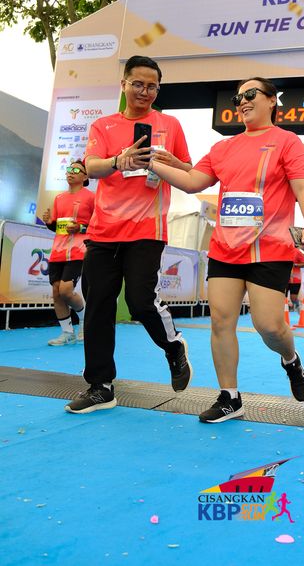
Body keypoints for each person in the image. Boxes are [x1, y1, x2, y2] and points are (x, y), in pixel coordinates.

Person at [150, 77, 304, 423]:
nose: (242, 101)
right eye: (238, 97)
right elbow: (193, 181)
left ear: (272, 100)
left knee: (269, 326)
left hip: (269, 248)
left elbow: (303, 187)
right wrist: (151, 164)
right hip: (225, 248)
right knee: (221, 321)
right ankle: (230, 397)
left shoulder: (287, 141)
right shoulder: (223, 148)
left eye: (250, 94)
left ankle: (291, 360)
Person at [65, 55, 193, 414]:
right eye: (138, 84)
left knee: (140, 301)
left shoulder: (170, 124)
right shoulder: (103, 126)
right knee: (98, 307)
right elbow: (91, 166)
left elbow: (189, 170)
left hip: (147, 230)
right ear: (124, 84)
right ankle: (100, 386)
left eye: (152, 86)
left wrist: (170, 162)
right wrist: (117, 161)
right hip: (103, 232)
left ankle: (173, 347)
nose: (145, 91)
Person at [42, 160, 94, 345]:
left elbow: (97, 225)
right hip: (58, 251)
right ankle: (67, 333)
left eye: (76, 170)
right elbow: (57, 227)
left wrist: (80, 228)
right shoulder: (59, 198)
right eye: (69, 169)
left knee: (65, 291)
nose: (71, 172)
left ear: (85, 176)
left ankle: (85, 320)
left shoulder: (91, 198)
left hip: (78, 251)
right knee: (56, 292)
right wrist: (49, 222)